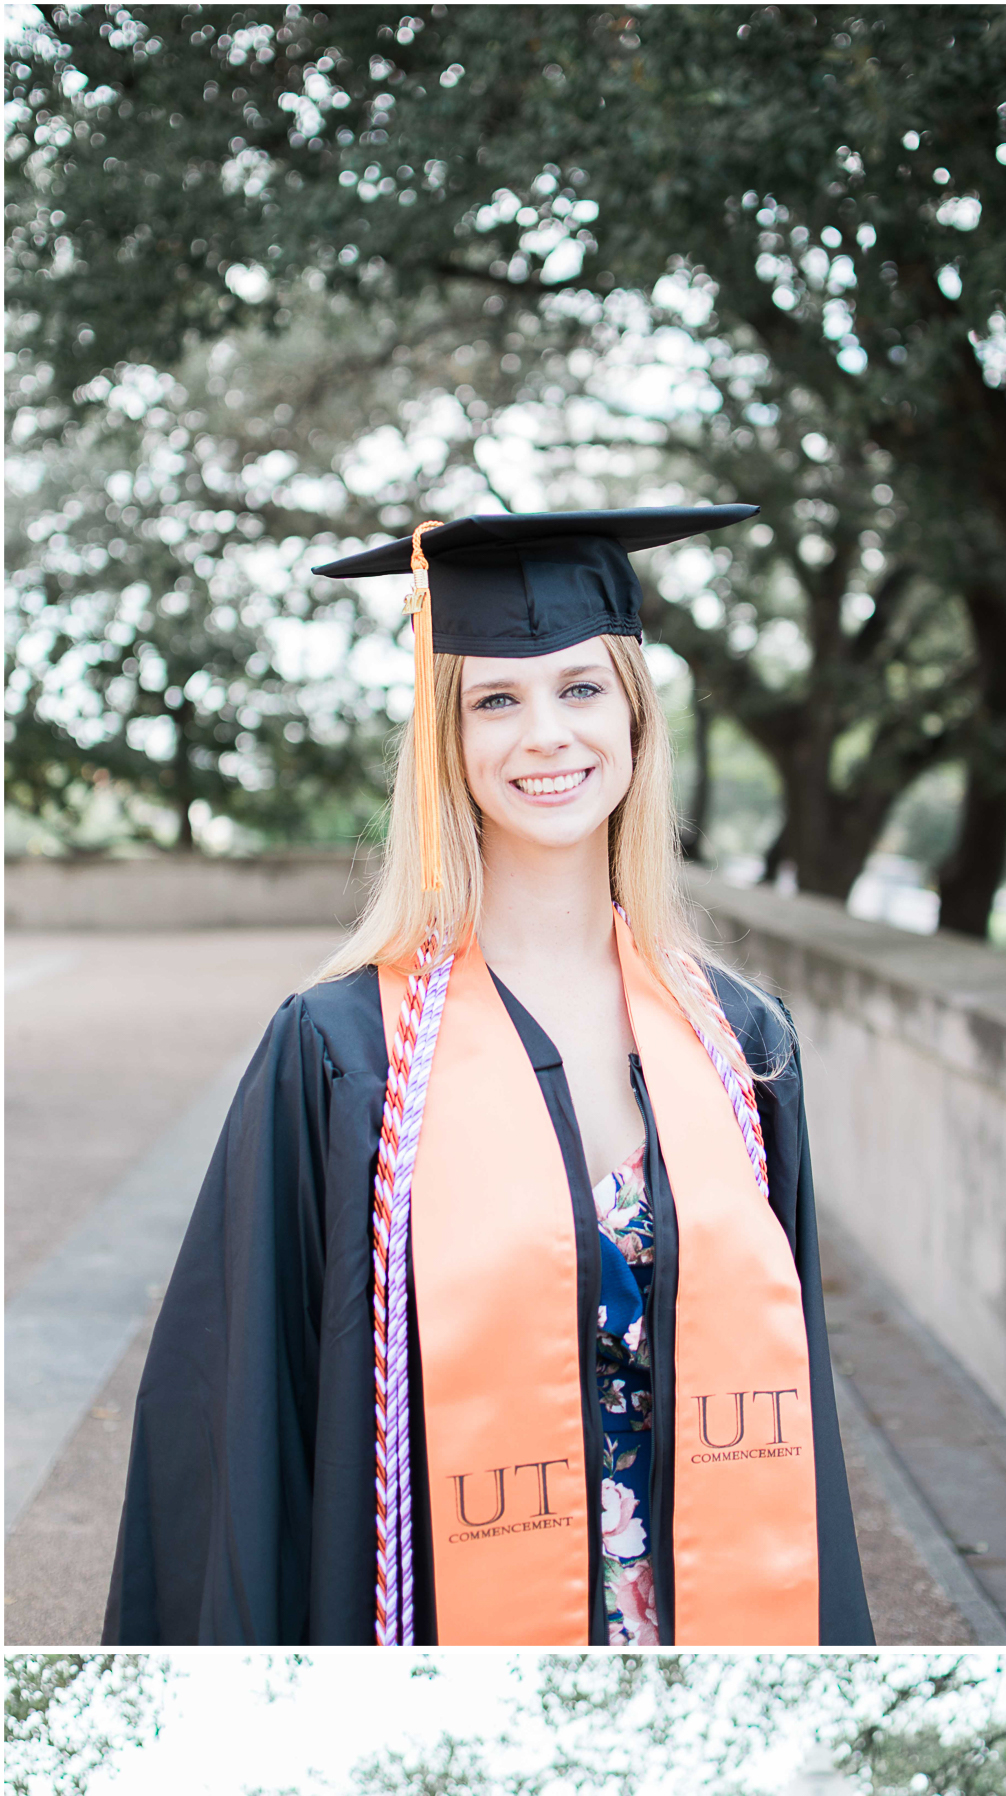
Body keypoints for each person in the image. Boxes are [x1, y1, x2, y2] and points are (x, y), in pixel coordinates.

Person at [107, 509, 871, 1647]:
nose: (545, 737)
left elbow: (794, 1409)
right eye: (495, 701)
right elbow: (238, 1418)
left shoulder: (739, 1042)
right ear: (447, 739)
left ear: (634, 717)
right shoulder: (340, 1058)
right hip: (435, 1617)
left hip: (705, 1616)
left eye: (580, 690)